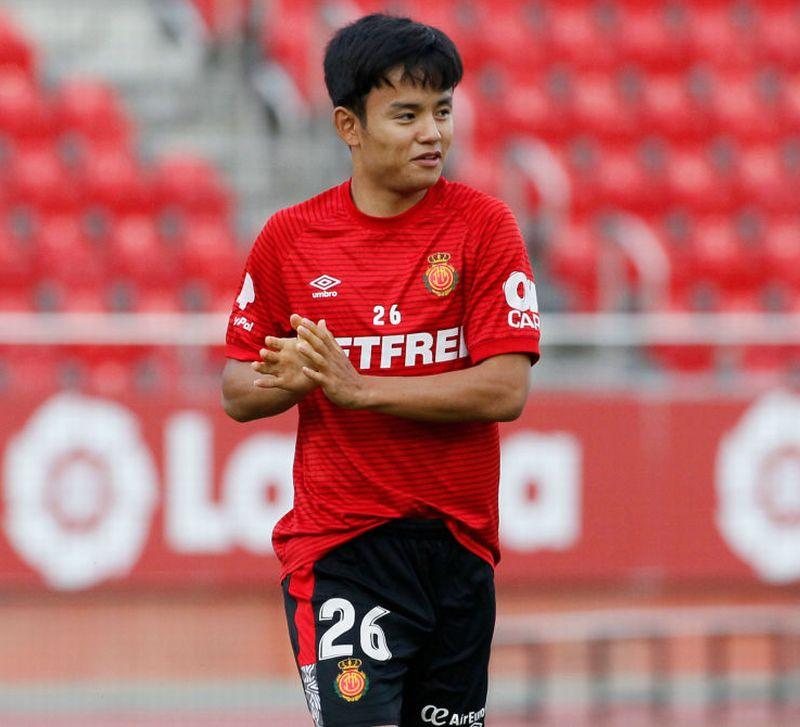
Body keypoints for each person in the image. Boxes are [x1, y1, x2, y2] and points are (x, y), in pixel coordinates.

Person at [221, 13, 540, 727]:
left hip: (459, 548)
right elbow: (237, 388)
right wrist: (288, 380)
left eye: (442, 111)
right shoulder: (290, 238)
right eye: (407, 114)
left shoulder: (484, 227)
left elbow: (506, 386)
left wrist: (360, 389)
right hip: (344, 550)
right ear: (349, 126)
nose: (433, 133)